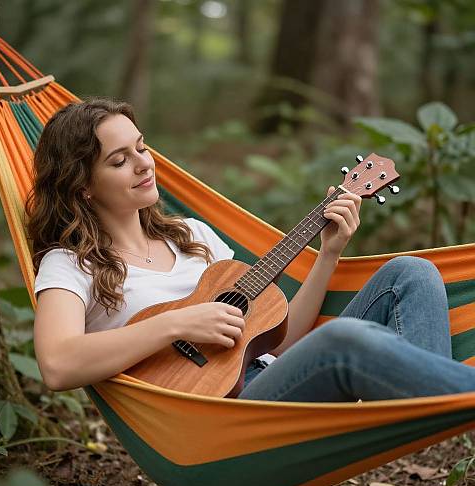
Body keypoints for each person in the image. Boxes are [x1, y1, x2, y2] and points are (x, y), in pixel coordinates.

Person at [27, 97, 473, 402]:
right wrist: (176, 323)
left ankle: (434, 408)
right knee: (344, 339)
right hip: (221, 418)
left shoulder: (193, 236)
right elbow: (58, 364)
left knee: (411, 273)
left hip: (277, 382)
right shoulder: (70, 264)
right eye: (120, 160)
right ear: (82, 185)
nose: (144, 163)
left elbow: (276, 342)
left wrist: (329, 254)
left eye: (142, 147)